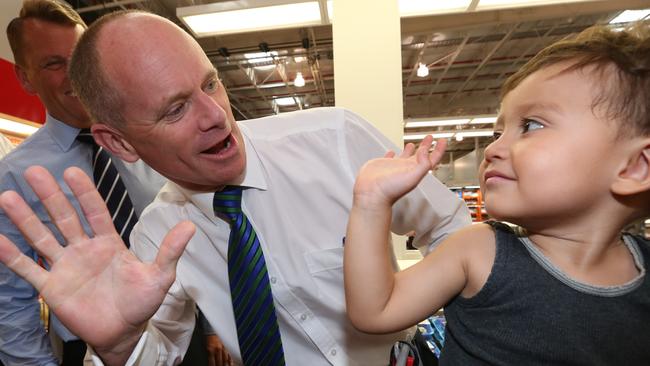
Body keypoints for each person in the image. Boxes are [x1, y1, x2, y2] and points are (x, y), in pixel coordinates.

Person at [0, 10, 470, 366]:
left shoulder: (337, 142)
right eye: (175, 109)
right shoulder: (157, 239)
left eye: (211, 84)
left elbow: (452, 229)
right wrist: (121, 345)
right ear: (119, 142)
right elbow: (159, 353)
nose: (215, 116)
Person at [344, 22, 650, 365]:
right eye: (497, 132)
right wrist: (371, 203)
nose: (493, 149)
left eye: (531, 125)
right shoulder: (479, 250)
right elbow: (376, 311)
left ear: (635, 168)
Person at [0, 1, 166, 365]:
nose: (75, 74)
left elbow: (196, 230)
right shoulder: (14, 176)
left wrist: (212, 325)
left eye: (79, 58)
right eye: (53, 64)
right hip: (91, 349)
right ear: (26, 78)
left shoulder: (152, 136)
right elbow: (9, 300)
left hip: (179, 332)